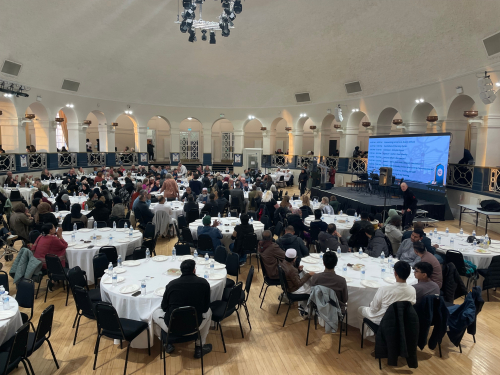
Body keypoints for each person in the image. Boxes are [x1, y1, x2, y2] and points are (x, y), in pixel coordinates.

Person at [152, 259, 212, 357]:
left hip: (171, 326)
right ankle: (199, 347)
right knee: (209, 311)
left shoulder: (171, 285)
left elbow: (164, 307)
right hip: (196, 325)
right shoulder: (204, 283)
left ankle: (166, 342)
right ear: (194, 270)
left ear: (181, 271)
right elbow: (205, 308)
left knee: (153, 313)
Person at [358, 261, 416, 335]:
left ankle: (369, 336)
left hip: (383, 320)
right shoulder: (412, 290)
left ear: (395, 273)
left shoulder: (384, 289)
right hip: (402, 319)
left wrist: (371, 304)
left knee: (360, 309)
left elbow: (373, 309)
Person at [281, 248, 314, 317]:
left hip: (288, 288)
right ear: (294, 259)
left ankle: (303, 306)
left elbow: (290, 276)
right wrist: (308, 274)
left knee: (307, 282)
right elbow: (298, 283)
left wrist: (298, 270)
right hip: (293, 290)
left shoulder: (283, 263)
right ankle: (307, 310)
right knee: (313, 288)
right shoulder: (292, 269)